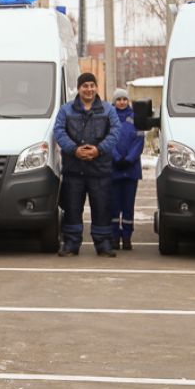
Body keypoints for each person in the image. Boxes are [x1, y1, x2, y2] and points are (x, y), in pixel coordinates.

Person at [53, 72, 121, 257]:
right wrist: (75, 150)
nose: (89, 89)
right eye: (85, 86)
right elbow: (59, 131)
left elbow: (115, 132)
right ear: (79, 88)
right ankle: (71, 244)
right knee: (72, 208)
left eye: (92, 85)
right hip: (74, 170)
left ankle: (104, 244)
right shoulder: (66, 110)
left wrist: (98, 150)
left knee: (102, 207)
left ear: (96, 87)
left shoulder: (108, 110)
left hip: (100, 170)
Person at [109, 88, 144, 251]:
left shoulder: (135, 118)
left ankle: (127, 238)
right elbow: (107, 140)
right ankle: (115, 237)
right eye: (119, 99)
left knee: (128, 206)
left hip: (131, 169)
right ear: (114, 101)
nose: (122, 102)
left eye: (124, 99)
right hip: (114, 169)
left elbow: (139, 141)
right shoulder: (109, 118)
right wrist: (116, 158)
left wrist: (129, 159)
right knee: (114, 205)